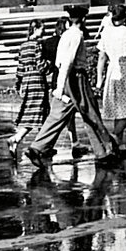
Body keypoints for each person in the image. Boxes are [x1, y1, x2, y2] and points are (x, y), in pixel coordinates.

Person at [26, 5, 122, 169]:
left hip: (66, 76)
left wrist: (59, 85)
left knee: (58, 113)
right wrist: (61, 85)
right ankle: (106, 149)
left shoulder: (65, 34)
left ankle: (38, 146)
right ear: (83, 19)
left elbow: (59, 61)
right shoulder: (77, 35)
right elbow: (69, 61)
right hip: (76, 77)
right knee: (90, 112)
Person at [97, 4, 126, 140]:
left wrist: (99, 79)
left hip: (112, 69)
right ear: (124, 18)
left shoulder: (106, 32)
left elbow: (101, 57)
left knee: (118, 107)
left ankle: (118, 142)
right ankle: (114, 135)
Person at [41, 17, 86, 158]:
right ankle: (45, 145)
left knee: (61, 113)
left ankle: (72, 142)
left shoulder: (48, 43)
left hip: (56, 80)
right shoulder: (72, 37)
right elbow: (68, 62)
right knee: (65, 114)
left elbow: (50, 64)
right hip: (67, 80)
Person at [8, 19, 49, 160]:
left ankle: (40, 145)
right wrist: (50, 65)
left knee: (36, 114)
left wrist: (18, 84)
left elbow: (19, 68)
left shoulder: (23, 46)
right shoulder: (37, 45)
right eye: (42, 29)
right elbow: (41, 65)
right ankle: (26, 142)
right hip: (37, 82)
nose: (44, 31)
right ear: (36, 29)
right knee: (38, 113)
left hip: (26, 81)